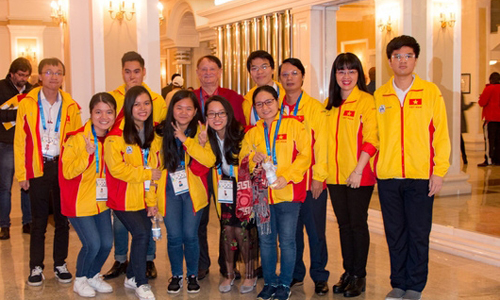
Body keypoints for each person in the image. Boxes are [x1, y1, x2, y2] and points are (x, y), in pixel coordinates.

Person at [374, 35, 450, 300]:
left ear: (415, 59)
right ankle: (398, 283)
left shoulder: (430, 92)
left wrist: (439, 171)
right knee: (395, 233)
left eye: (407, 55)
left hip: (420, 177)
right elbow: (374, 136)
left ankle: (415, 286)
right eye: (397, 56)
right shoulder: (380, 94)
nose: (402, 60)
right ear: (389, 61)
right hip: (388, 177)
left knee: (418, 233)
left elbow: (441, 134)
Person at [14, 57, 82, 286]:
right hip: (37, 166)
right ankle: (36, 266)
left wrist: (74, 172)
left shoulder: (71, 105)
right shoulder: (27, 103)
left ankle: (60, 263)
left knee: (63, 220)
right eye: (49, 72)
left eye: (58, 72)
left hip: (61, 167)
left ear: (63, 77)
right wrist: (22, 174)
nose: (54, 76)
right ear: (40, 76)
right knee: (39, 220)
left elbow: (75, 141)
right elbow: (20, 140)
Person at [240, 85, 311, 300]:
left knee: (287, 241)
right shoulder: (252, 132)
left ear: (277, 102)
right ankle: (270, 282)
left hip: (287, 193)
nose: (265, 107)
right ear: (255, 108)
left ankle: (284, 283)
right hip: (262, 196)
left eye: (269, 102)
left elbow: (306, 155)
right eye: (259, 104)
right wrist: (252, 157)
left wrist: (286, 176)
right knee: (267, 240)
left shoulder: (294, 125)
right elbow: (243, 156)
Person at [105, 51, 166, 280]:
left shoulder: (157, 100)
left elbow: (160, 131)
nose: (132, 76)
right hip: (125, 168)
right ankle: (121, 259)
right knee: (120, 220)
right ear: (122, 72)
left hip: (149, 168)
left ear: (144, 72)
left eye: (137, 71)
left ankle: (147, 260)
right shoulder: (114, 97)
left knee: (148, 218)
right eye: (128, 71)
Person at [325, 53, 379, 298]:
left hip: (359, 175)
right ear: (334, 75)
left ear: (359, 74)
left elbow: (372, 138)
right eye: (341, 71)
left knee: (357, 224)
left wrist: (359, 169)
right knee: (344, 226)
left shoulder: (366, 101)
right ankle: (348, 272)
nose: (346, 77)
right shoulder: (330, 104)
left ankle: (360, 275)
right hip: (335, 177)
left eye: (351, 71)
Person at [278, 58, 330, 295]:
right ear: (280, 79)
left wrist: (319, 176)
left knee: (316, 231)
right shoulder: (275, 108)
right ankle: (295, 273)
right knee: (291, 232)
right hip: (287, 183)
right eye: (285, 74)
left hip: (310, 182)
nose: (289, 78)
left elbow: (322, 144)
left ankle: (319, 274)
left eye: (294, 73)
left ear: (302, 76)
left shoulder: (315, 108)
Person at [197, 96, 259, 293]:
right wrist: (201, 143)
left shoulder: (242, 134)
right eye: (211, 114)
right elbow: (205, 162)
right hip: (222, 188)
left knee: (243, 232)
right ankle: (228, 274)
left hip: (242, 188)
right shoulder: (208, 136)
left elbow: (248, 163)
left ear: (228, 114)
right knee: (227, 232)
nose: (217, 118)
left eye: (221, 113)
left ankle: (250, 275)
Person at [193, 55, 246, 280]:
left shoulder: (233, 98)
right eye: (203, 69)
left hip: (226, 170)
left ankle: (228, 264)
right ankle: (201, 263)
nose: (207, 73)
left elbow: (242, 128)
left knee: (229, 218)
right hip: (199, 167)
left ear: (220, 71)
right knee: (200, 218)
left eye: (212, 69)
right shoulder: (192, 98)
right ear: (197, 72)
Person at [59, 93, 117, 297]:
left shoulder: (112, 139)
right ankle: (81, 279)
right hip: (78, 203)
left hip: (101, 202)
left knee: (106, 243)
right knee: (92, 244)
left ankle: (93, 275)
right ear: (90, 113)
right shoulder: (76, 138)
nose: (104, 116)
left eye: (109, 112)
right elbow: (67, 172)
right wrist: (87, 154)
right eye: (98, 111)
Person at [154, 90, 209, 294]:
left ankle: (192, 274)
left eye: (188, 108)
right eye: (179, 107)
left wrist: (189, 141)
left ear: (195, 111)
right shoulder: (159, 132)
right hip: (169, 190)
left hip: (193, 192)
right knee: (175, 236)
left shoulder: (202, 132)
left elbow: (209, 160)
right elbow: (154, 164)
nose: (183, 112)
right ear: (171, 109)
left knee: (190, 235)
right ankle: (176, 274)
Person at [0, 57, 33, 240]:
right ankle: (4, 225)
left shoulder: (31, 90)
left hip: (26, 143)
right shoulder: (1, 87)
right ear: (12, 73)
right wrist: (19, 113)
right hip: (5, 143)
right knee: (4, 186)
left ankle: (28, 221)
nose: (23, 79)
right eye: (20, 75)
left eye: (26, 76)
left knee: (26, 184)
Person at [243, 50, 286, 126]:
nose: (259, 72)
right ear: (250, 73)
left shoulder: (287, 94)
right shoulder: (246, 101)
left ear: (272, 69)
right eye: (254, 68)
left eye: (264, 67)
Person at [478, 72, 500, 166]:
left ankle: (489, 159)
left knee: (489, 140)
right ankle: (498, 159)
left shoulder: (489, 88)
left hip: (491, 118)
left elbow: (482, 102)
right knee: (498, 140)